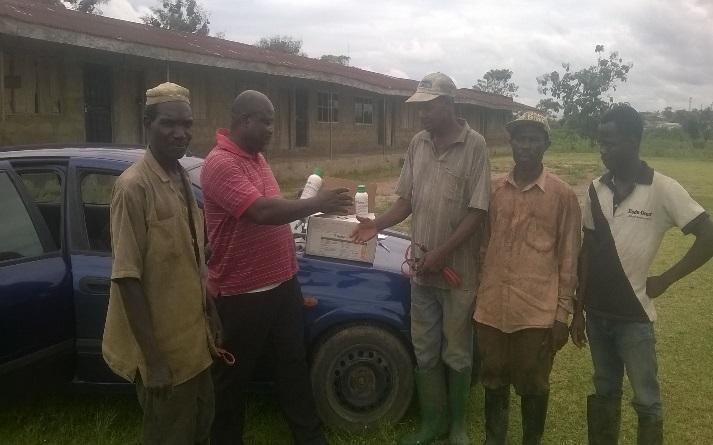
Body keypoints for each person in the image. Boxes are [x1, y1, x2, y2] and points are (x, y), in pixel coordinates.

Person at [202, 90, 352, 445]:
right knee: (232, 379)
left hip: (282, 285)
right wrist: (316, 203)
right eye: (266, 122)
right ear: (244, 121)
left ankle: (309, 438)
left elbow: (274, 204)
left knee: (292, 365)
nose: (272, 129)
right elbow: (261, 211)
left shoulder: (257, 158)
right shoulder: (220, 163)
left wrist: (307, 204)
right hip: (243, 293)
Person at [352, 73, 490, 445]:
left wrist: (443, 253)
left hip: (458, 273)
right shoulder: (418, 143)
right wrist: (376, 224)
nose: (421, 114)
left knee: (457, 352)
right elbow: (406, 201)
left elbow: (478, 211)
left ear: (449, 104)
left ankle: (457, 426)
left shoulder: (475, 145)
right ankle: (433, 423)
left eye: (428, 107)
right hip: (422, 272)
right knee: (425, 349)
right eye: (419, 108)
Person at [570, 104, 713, 445]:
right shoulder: (596, 189)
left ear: (633, 142)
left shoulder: (662, 188)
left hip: (634, 318)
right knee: (604, 390)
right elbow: (586, 250)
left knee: (647, 401)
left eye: (610, 142)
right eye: (600, 142)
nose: (603, 150)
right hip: (597, 315)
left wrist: (666, 279)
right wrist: (578, 309)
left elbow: (708, 235)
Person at [103, 82, 220, 445]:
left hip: (194, 344)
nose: (180, 133)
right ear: (147, 125)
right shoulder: (133, 187)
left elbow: (191, 257)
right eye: (169, 123)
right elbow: (127, 277)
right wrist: (153, 362)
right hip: (164, 352)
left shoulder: (181, 177)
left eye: (187, 124)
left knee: (201, 427)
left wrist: (210, 311)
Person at [473, 111, 581, 445]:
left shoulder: (562, 195)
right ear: (511, 142)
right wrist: (478, 296)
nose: (526, 146)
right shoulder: (494, 191)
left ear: (546, 144)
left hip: (536, 313)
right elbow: (483, 247)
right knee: (493, 380)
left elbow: (568, 259)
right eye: (520, 138)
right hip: (491, 310)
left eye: (534, 139)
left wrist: (562, 314)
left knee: (533, 385)